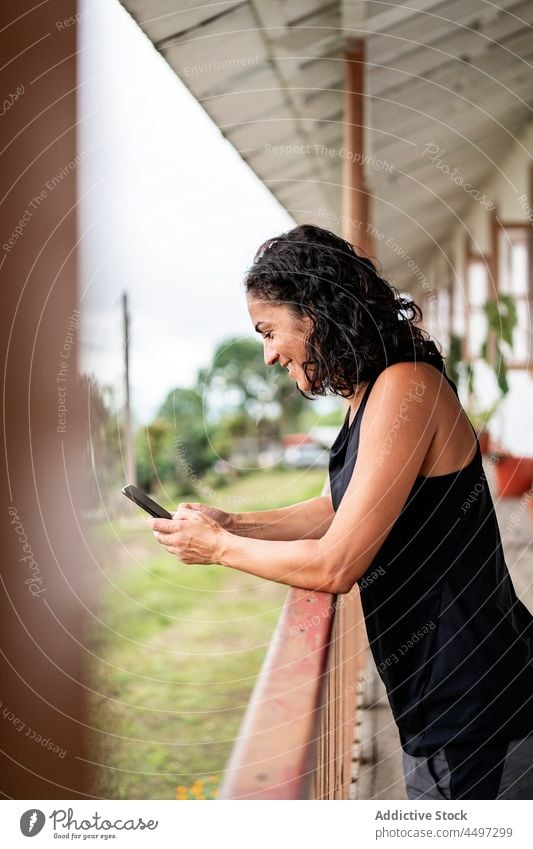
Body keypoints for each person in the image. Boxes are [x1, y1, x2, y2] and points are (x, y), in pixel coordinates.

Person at [149, 224, 533, 800]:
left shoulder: (406, 388)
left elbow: (337, 564)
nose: (269, 352)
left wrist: (219, 549)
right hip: (437, 698)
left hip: (478, 702)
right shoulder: (371, 394)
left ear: (316, 313)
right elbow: (336, 508)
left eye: (270, 330)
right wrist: (231, 522)